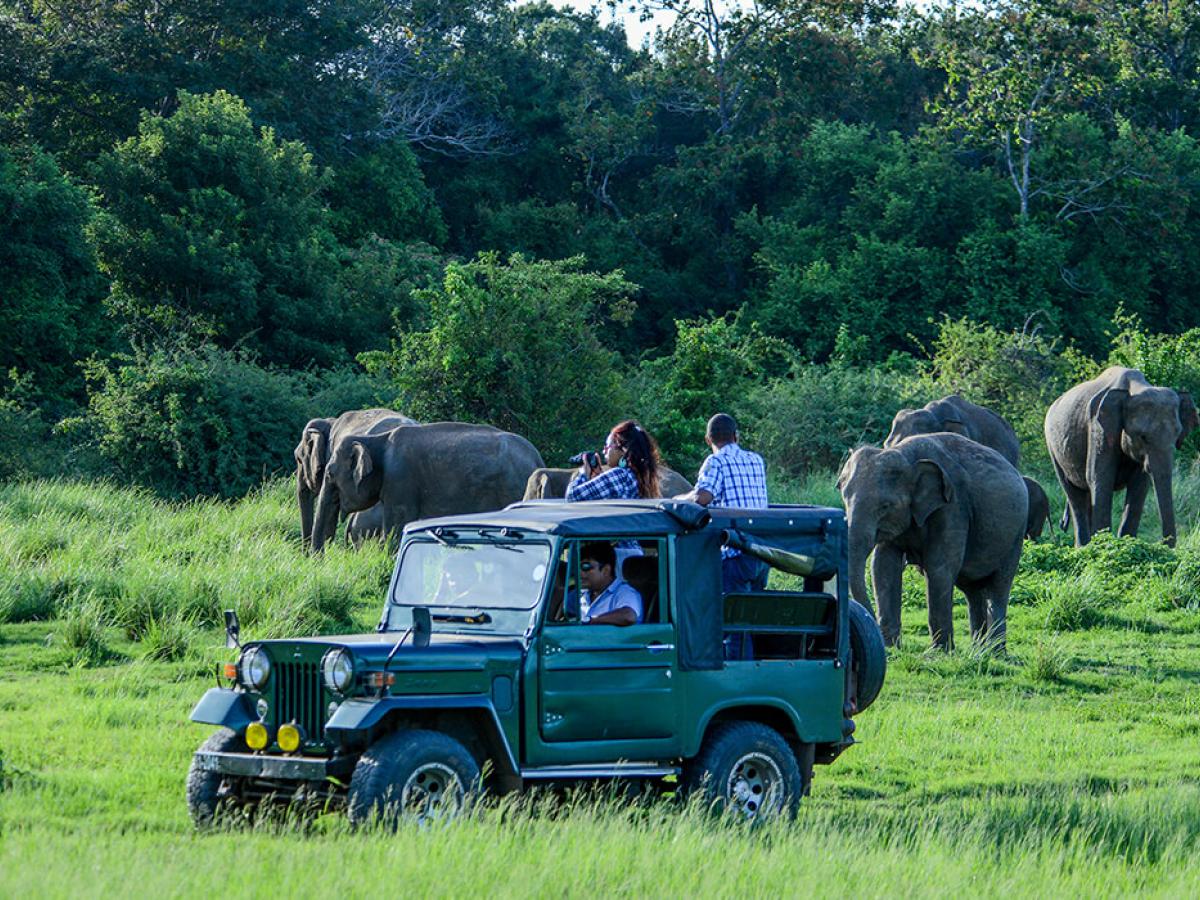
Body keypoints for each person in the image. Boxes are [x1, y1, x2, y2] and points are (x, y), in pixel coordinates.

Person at [678, 413, 770, 593]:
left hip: (734, 553)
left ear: (708, 440)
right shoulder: (756, 460)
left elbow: (702, 498)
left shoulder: (716, 461)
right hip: (761, 552)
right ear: (736, 436)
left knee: (730, 614)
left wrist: (677, 499)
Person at [565, 420, 662, 502]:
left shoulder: (620, 475)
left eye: (607, 446)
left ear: (624, 450)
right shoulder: (640, 477)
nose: (604, 451)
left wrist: (584, 473)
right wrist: (597, 477)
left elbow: (571, 496)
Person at [578, 542, 643, 626]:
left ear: (606, 570)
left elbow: (628, 616)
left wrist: (590, 620)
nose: (580, 573)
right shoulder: (582, 594)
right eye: (578, 567)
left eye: (586, 567)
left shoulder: (625, 593)